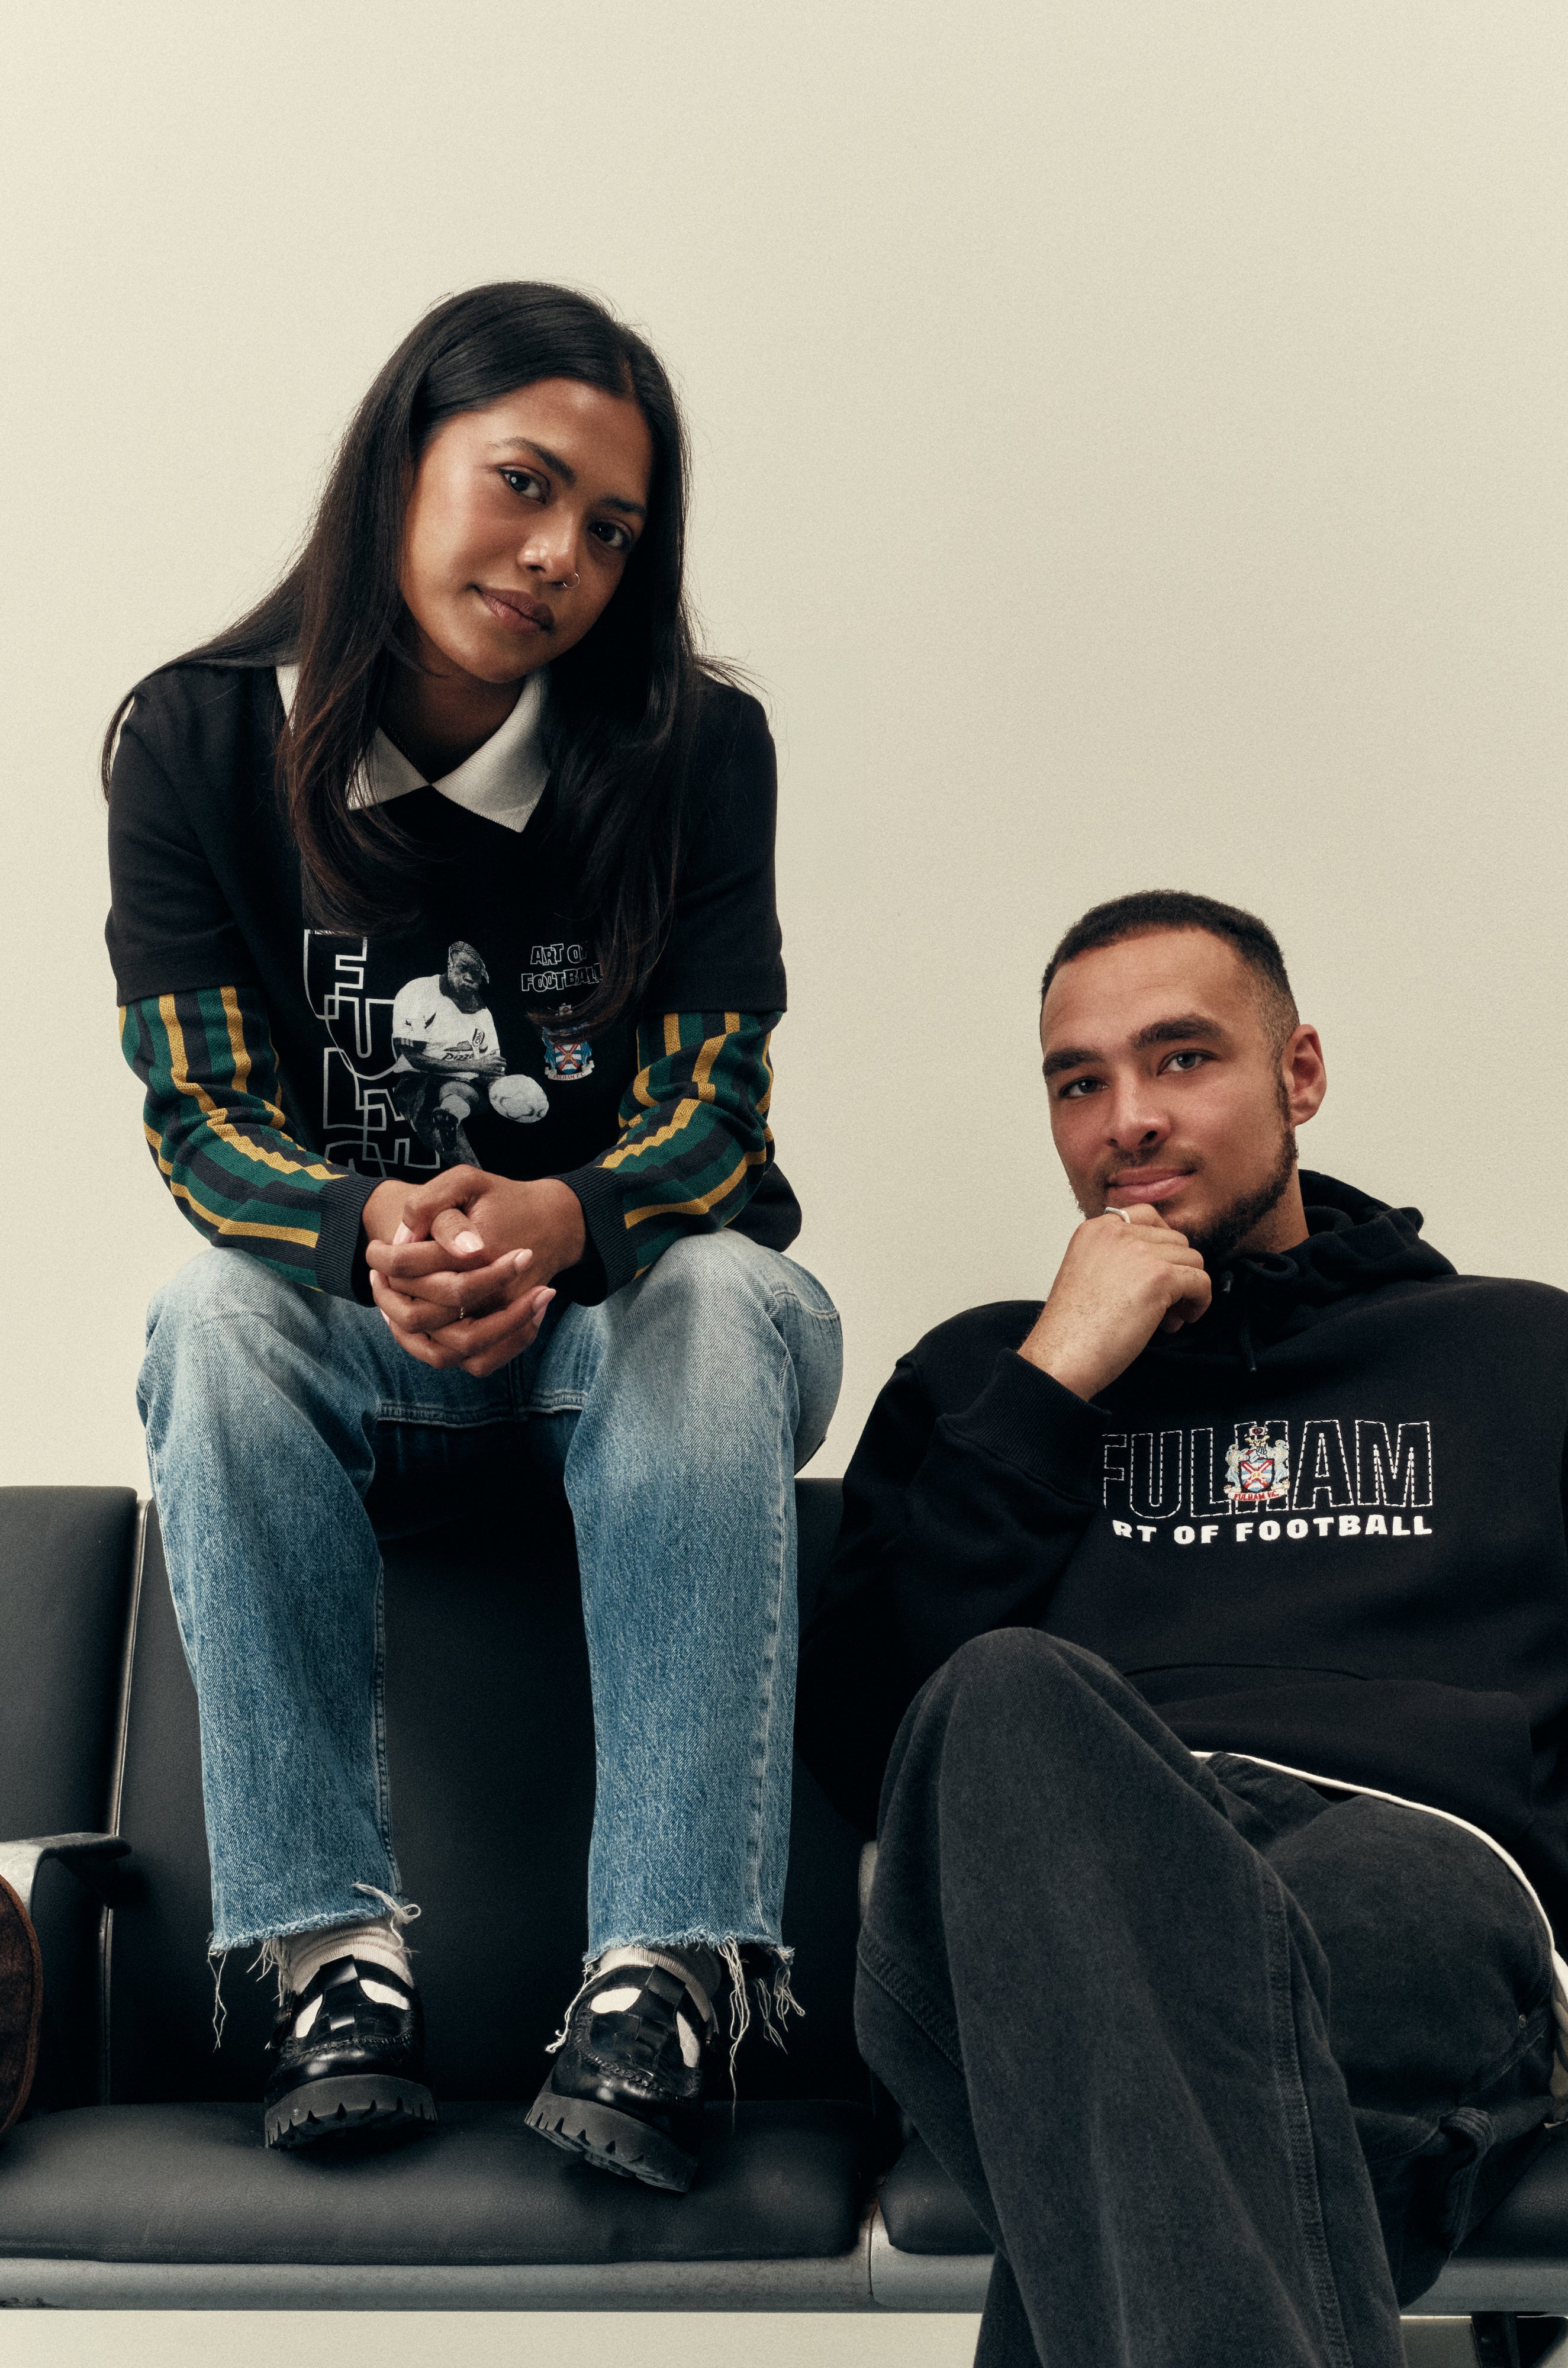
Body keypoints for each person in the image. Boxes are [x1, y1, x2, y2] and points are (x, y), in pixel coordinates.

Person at [797, 889, 1568, 2368]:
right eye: (1078, 1082)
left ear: (1298, 1074)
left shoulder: (1517, 1350)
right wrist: (1052, 1383)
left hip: (1408, 1884)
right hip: (1055, 1888)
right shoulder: (983, 1380)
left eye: (1183, 1058)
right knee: (1005, 1698)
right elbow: (868, 1738)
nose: (1128, 1116)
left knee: (1159, 2078)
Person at [105, 282, 842, 2190]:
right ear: (399, 464)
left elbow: (717, 1114)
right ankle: (326, 1964)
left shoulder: (695, 748)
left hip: (639, 1331)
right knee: (210, 1316)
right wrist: (370, 1229)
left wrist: (560, 1223)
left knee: (717, 1290)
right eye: (524, 484)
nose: (560, 556)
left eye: (614, 529)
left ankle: (667, 1975)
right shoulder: (196, 741)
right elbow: (201, 1116)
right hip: (370, 1337)